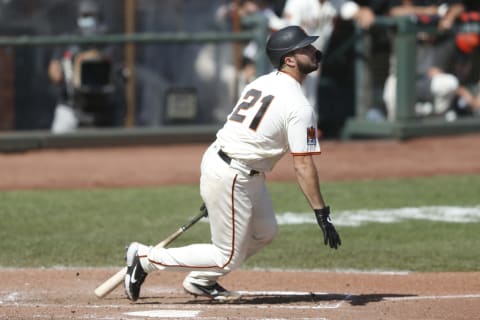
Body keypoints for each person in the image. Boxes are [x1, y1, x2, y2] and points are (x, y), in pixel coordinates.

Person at [123, 25, 341, 302]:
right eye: (306, 48)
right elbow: (303, 166)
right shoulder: (299, 106)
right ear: (289, 59)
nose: (315, 51)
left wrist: (218, 194)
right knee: (225, 257)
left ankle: (201, 281)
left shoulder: (261, 82)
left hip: (230, 166)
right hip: (233, 173)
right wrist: (322, 214)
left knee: (265, 232)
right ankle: (144, 258)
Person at [382, 0, 465, 121]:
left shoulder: (425, 3)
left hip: (425, 79)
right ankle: (420, 112)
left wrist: (448, 17)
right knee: (392, 103)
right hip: (399, 79)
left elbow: (458, 6)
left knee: (449, 83)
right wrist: (428, 12)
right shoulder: (405, 8)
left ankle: (434, 117)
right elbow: (394, 12)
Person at [48, 0, 117, 133]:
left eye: (91, 15)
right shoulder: (68, 39)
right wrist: (70, 69)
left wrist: (95, 58)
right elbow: (54, 71)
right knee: (58, 144)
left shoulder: (106, 42)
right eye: (85, 15)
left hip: (101, 109)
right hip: (70, 106)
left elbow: (118, 72)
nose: (88, 20)